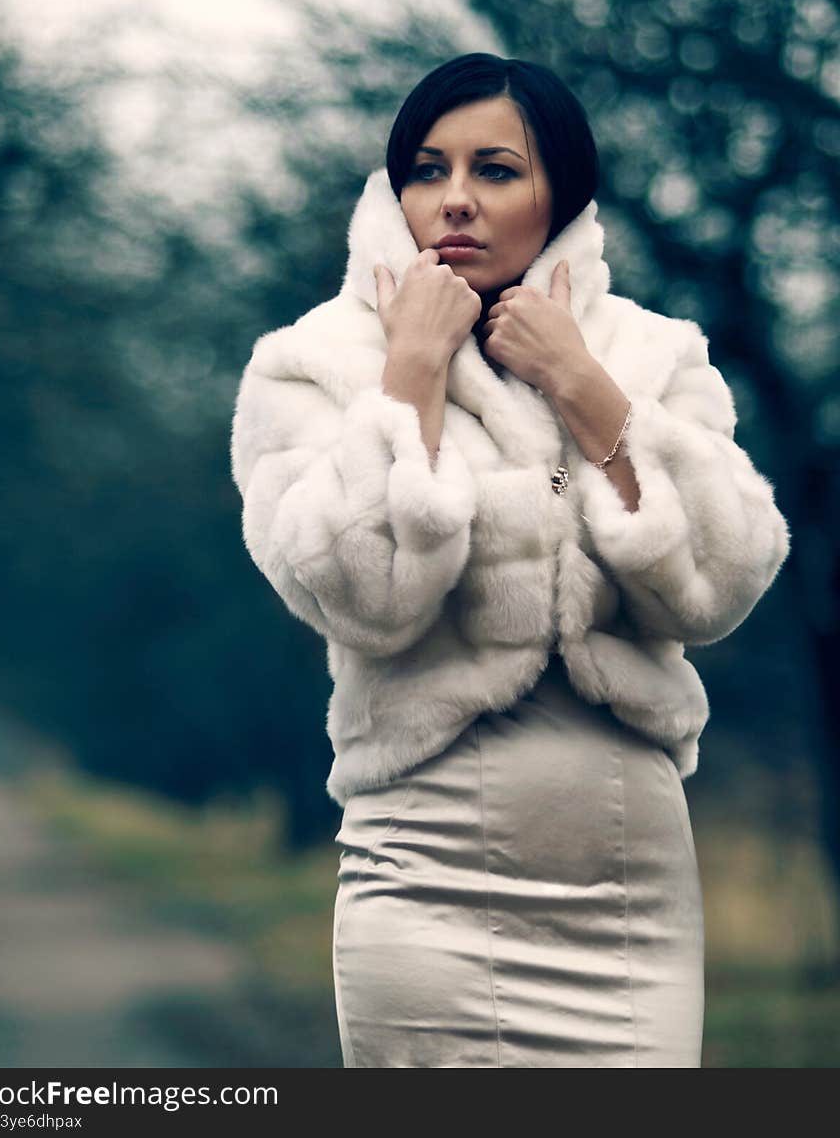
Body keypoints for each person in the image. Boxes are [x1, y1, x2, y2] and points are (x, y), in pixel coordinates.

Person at [229, 53, 791, 1068]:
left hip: (629, 893)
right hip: (422, 878)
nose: (454, 201)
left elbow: (725, 578)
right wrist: (410, 372)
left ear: (559, 191)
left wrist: (581, 381)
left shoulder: (656, 353)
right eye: (426, 169)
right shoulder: (311, 361)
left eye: (494, 170)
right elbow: (358, 597)